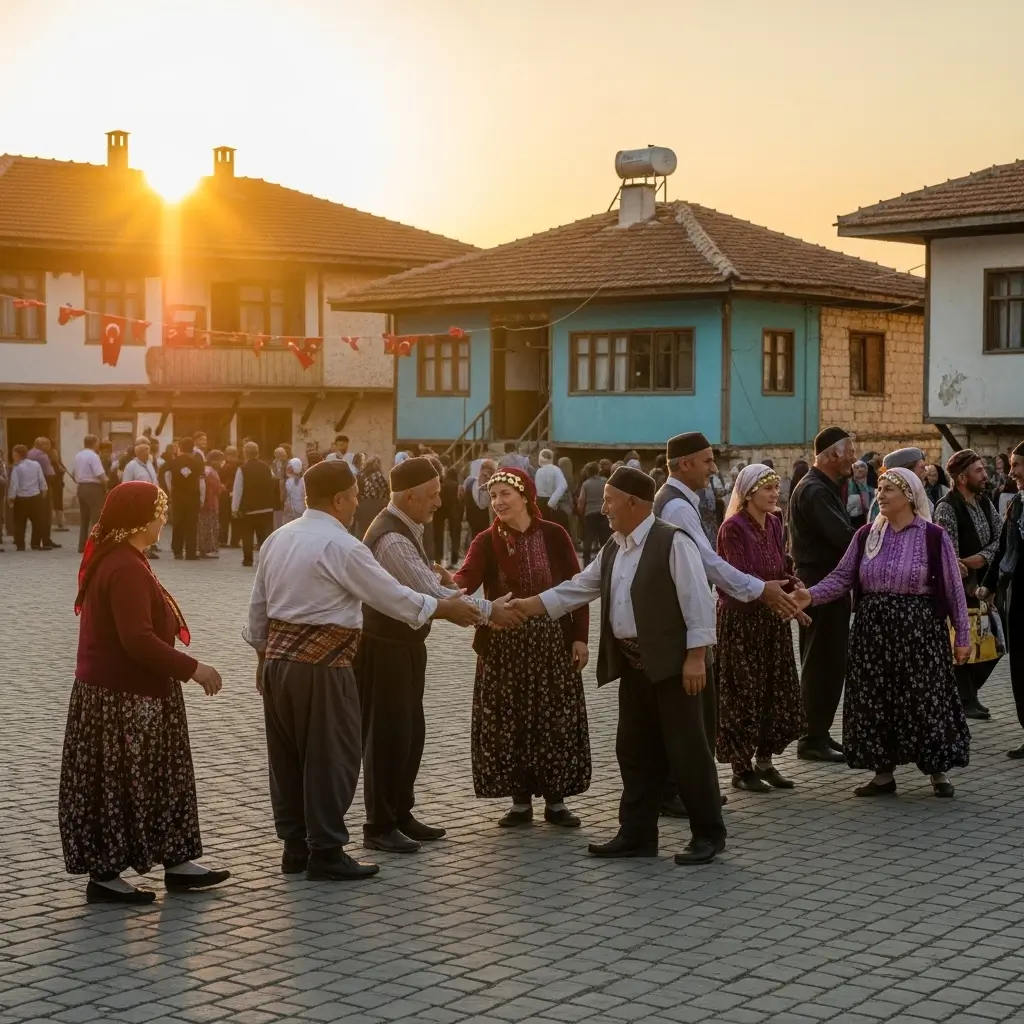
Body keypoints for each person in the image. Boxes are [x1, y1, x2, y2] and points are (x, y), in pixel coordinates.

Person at [243, 460, 480, 881]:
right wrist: (446, 608)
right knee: (330, 757)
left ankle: (295, 848)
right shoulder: (343, 546)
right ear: (338, 500)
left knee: (286, 760)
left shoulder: (278, 538)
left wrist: (264, 659)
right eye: (354, 496)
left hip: (278, 664)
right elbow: (395, 598)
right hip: (324, 667)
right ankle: (326, 851)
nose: (357, 504)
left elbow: (258, 609)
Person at [510, 466, 724, 864]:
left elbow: (698, 601)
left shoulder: (672, 542)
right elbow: (579, 587)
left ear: (633, 502)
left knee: (688, 752)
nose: (603, 507)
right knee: (634, 751)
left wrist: (696, 657)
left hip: (676, 669)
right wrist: (529, 606)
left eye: (609, 500)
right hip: (636, 668)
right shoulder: (614, 546)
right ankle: (637, 834)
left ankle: (708, 834)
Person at [59, 481, 229, 903]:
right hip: (122, 696)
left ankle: (178, 861)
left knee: (162, 778)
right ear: (139, 520)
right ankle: (104, 876)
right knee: (118, 783)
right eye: (159, 512)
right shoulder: (124, 567)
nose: (163, 519)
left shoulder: (124, 559)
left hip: (135, 692)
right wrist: (193, 669)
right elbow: (137, 639)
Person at [357, 458, 520, 853]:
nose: (438, 502)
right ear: (409, 496)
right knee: (388, 737)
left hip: (405, 645)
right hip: (384, 648)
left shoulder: (406, 527)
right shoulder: (392, 539)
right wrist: (489, 611)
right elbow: (430, 594)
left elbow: (433, 586)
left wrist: (465, 599)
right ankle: (379, 824)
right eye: (432, 495)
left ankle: (400, 813)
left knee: (410, 733)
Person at [794, 468, 971, 798]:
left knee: (925, 700)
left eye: (889, 489)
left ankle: (938, 772)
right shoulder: (867, 535)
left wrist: (962, 636)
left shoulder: (933, 536)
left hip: (920, 635)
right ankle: (883, 774)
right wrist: (810, 595)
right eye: (880, 488)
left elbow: (953, 589)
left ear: (909, 495)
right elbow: (842, 577)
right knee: (876, 701)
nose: (881, 494)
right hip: (872, 635)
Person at [654, 432, 798, 813]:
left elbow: (778, 565)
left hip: (762, 617)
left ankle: (686, 788)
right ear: (686, 463)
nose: (713, 469)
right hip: (727, 620)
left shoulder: (767, 522)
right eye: (707, 461)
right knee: (714, 705)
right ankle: (684, 789)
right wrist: (761, 590)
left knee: (747, 699)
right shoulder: (680, 508)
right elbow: (710, 564)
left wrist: (788, 586)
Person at [454, 468, 591, 829]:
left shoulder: (554, 534)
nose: (497, 502)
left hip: (552, 645)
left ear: (526, 496)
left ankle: (556, 800)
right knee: (509, 721)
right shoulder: (486, 541)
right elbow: (466, 578)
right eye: (493, 495)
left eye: (505, 494)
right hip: (504, 647)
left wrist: (580, 636)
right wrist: (446, 585)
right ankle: (519, 800)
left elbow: (576, 588)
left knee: (554, 720)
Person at [715, 465, 804, 792]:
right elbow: (737, 576)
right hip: (742, 621)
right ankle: (741, 768)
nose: (774, 494)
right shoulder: (732, 528)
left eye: (776, 487)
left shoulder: (775, 522)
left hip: (772, 620)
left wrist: (793, 584)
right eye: (768, 488)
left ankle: (765, 761)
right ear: (749, 492)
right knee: (744, 694)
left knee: (774, 691)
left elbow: (779, 566)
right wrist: (774, 589)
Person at [787, 426, 857, 762]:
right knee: (820, 662)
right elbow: (843, 537)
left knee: (831, 661)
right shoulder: (814, 490)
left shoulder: (825, 487)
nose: (853, 459)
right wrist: (875, 541)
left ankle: (819, 732)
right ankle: (811, 737)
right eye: (849, 452)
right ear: (832, 455)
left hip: (829, 584)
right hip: (819, 584)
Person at [935, 449, 1004, 720]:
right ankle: (965, 699)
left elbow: (1002, 538)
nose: (985, 475)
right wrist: (965, 568)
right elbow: (949, 554)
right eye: (978, 470)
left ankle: (966, 694)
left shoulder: (983, 501)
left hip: (987, 583)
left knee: (996, 642)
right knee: (964, 642)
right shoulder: (947, 507)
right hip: (962, 587)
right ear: (962, 478)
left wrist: (983, 557)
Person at [983, 442, 1024, 758]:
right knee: (1020, 664)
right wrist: (989, 584)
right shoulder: (1017, 504)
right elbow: (1003, 548)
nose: (1012, 473)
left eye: (1017, 465)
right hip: (1018, 591)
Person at [232, 442, 278, 567]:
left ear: (245, 453)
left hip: (249, 508)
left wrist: (235, 508)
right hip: (266, 507)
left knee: (247, 535)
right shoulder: (267, 467)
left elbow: (238, 490)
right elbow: (272, 483)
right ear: (257, 453)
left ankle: (248, 559)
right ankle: (265, 560)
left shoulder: (242, 469)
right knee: (264, 536)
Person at [867, 448, 928, 522]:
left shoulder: (919, 497)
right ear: (907, 472)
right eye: (922, 467)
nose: (926, 471)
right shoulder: (884, 503)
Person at [7, 444, 50, 550]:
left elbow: (14, 484)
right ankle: (35, 543)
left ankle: (20, 544)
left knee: (20, 523)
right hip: (35, 496)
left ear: (18, 455)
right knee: (37, 521)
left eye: (14, 454)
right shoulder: (36, 464)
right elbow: (41, 478)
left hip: (21, 498)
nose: (12, 457)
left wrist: (11, 497)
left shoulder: (17, 468)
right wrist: (44, 490)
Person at [72, 435, 108, 555]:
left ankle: (82, 545)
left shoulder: (78, 456)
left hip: (81, 487)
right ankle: (95, 546)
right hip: (93, 488)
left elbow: (73, 473)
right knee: (96, 518)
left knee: (84, 518)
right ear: (94, 443)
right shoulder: (93, 456)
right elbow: (100, 474)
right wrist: (106, 482)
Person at [169, 438, 204, 561]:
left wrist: (171, 491)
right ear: (192, 448)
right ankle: (191, 552)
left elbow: (168, 476)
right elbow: (201, 481)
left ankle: (177, 550)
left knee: (178, 523)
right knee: (192, 524)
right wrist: (202, 497)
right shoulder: (198, 463)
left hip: (178, 496)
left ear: (181, 448)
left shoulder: (174, 462)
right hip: (192, 496)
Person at [26, 437, 57, 548]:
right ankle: (45, 540)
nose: (49, 446)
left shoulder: (29, 453)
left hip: (31, 487)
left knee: (37, 515)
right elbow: (50, 473)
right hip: (43, 485)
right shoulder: (43, 456)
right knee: (45, 514)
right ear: (41, 445)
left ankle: (35, 541)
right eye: (47, 444)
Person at [579, 460, 610, 565]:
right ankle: (605, 562)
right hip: (603, 513)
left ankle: (586, 563)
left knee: (588, 538)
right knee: (604, 540)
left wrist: (581, 511)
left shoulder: (586, 484)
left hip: (590, 513)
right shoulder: (605, 481)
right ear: (598, 470)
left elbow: (581, 500)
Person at [433, 466, 464, 568]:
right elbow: (461, 500)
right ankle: (454, 560)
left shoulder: (441, 484)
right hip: (454, 511)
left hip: (439, 510)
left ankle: (438, 559)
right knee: (455, 535)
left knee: (438, 535)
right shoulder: (457, 486)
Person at [534, 449, 570, 532]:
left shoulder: (538, 471)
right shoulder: (555, 469)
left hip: (540, 502)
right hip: (551, 501)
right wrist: (552, 501)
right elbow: (563, 485)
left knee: (543, 529)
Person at [353, 456, 388, 539]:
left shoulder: (360, 476)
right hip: (378, 508)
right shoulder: (380, 477)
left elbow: (357, 493)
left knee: (360, 534)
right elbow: (386, 492)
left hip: (363, 507)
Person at [198, 451, 224, 557]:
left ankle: (205, 548)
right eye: (220, 460)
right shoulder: (210, 472)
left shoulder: (208, 470)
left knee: (206, 526)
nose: (221, 463)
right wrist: (221, 488)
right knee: (208, 526)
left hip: (209, 502)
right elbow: (215, 487)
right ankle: (205, 548)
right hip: (209, 503)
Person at [463, 458, 495, 540]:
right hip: (479, 520)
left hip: (473, 518)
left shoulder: (469, 481)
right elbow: (482, 505)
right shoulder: (470, 481)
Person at [217, 445, 241, 548]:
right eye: (229, 454)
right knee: (224, 519)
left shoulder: (240, 466)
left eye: (234, 455)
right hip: (225, 495)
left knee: (236, 519)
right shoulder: (222, 466)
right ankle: (223, 540)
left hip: (235, 494)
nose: (232, 457)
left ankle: (234, 541)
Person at [846, 461, 874, 529]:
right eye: (856, 468)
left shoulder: (871, 484)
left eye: (862, 467)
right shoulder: (848, 485)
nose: (860, 469)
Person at [282, 457, 306, 524]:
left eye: (289, 467)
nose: (287, 468)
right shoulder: (289, 480)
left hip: (300, 510)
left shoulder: (302, 481)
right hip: (291, 510)